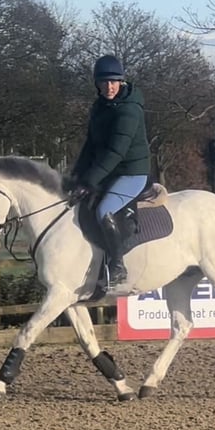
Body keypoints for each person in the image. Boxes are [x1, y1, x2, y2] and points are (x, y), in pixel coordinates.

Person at [68, 54, 151, 287]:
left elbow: (116, 152)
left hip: (132, 172)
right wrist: (77, 176)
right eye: (104, 82)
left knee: (104, 209)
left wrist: (90, 180)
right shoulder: (100, 107)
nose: (109, 86)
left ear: (121, 82)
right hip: (111, 171)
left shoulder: (130, 109)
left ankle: (117, 265)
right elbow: (91, 145)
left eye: (113, 81)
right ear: (97, 84)